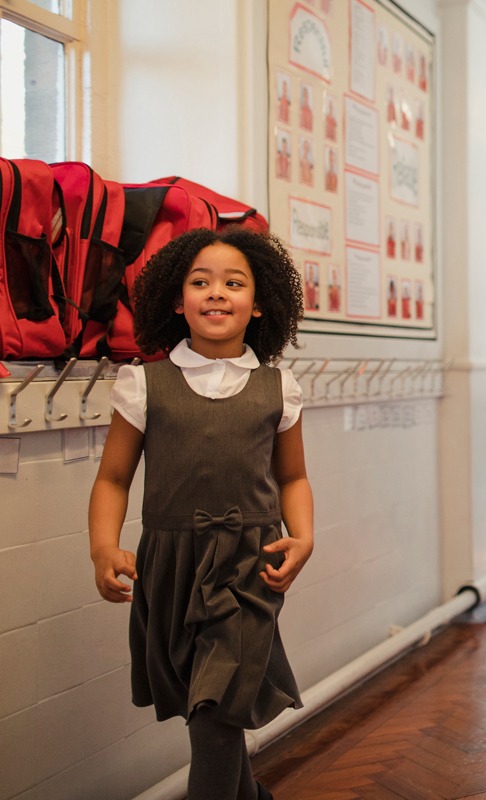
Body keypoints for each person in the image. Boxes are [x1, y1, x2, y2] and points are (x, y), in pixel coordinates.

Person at [89, 227, 313, 800]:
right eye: (200, 282)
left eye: (233, 283)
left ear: (258, 303)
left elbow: (292, 476)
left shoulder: (277, 387)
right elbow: (113, 478)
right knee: (208, 707)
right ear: (175, 299)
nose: (216, 293)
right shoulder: (143, 384)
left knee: (215, 707)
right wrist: (103, 546)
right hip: (170, 565)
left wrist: (304, 536)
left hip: (249, 566)